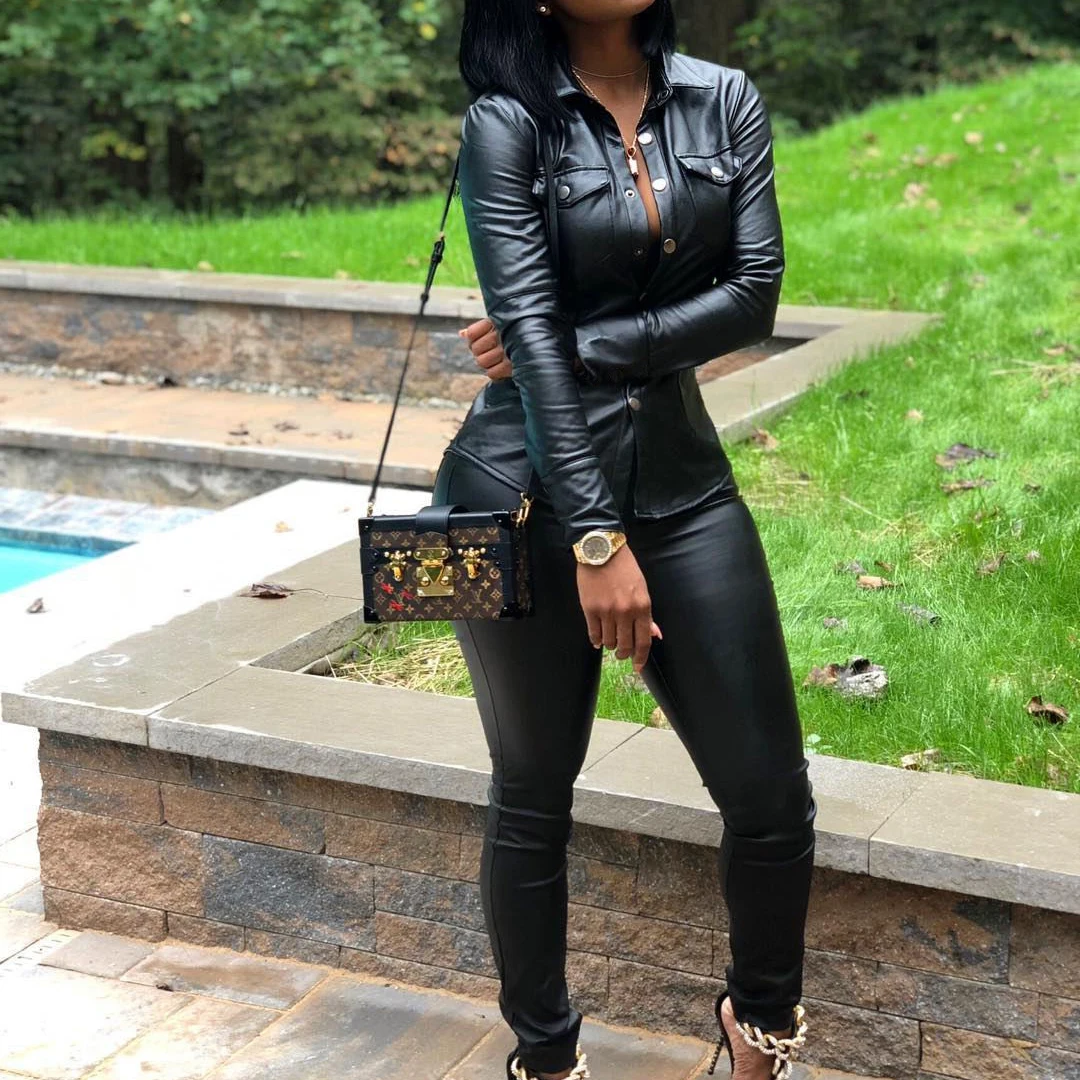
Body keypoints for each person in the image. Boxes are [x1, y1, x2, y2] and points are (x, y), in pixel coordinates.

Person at [429, 2, 817, 1077]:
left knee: (772, 800)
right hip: (524, 495)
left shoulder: (723, 99)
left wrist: (579, 340)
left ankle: (759, 1031)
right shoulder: (507, 120)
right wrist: (596, 539)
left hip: (686, 489)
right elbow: (527, 347)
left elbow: (752, 297)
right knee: (532, 791)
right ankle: (547, 1057)